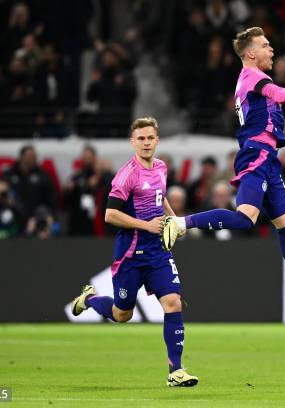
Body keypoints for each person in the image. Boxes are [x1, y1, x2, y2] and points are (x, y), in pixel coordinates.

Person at [160, 27, 285, 307]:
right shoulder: (252, 76)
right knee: (245, 219)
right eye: (266, 45)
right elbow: (272, 90)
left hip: (268, 159)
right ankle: (180, 223)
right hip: (256, 153)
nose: (272, 50)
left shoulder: (252, 78)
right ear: (251, 52)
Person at [71, 117, 198, 387]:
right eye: (140, 138)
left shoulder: (162, 167)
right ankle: (90, 299)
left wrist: (174, 221)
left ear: (157, 140)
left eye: (150, 138)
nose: (146, 143)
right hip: (130, 253)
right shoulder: (127, 175)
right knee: (122, 315)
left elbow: (159, 197)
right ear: (133, 142)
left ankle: (175, 370)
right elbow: (110, 214)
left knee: (173, 302)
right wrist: (146, 225)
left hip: (158, 251)